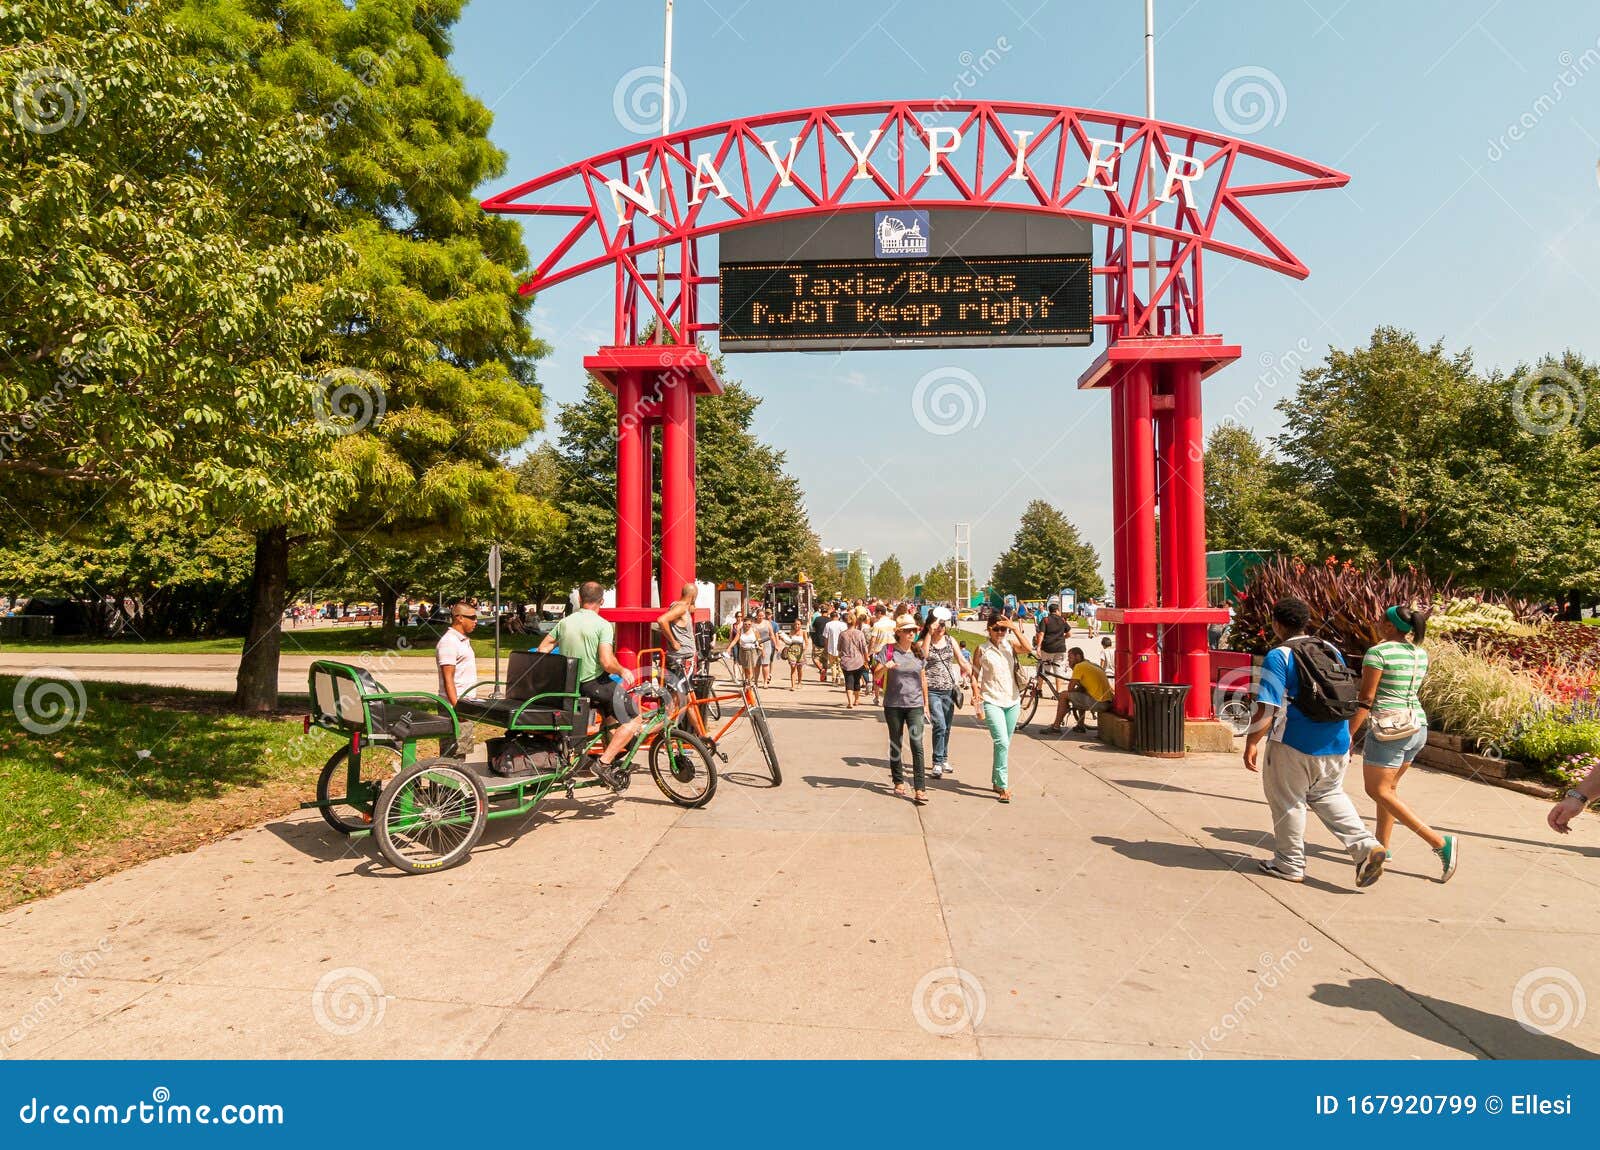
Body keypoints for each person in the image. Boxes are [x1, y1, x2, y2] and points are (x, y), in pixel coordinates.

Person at [1242, 596, 1386, 888]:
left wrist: (1252, 741)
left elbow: (1267, 707)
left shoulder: (1279, 655)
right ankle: (1366, 846)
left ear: (1276, 623)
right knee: (1329, 795)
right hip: (1337, 739)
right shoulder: (1329, 649)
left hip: (1294, 742)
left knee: (1288, 802)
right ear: (1306, 622)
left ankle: (1289, 863)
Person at [1354, 604, 1458, 882]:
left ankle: (1438, 842)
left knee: (1377, 789)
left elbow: (1366, 699)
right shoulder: (1418, 653)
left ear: (1389, 626)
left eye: (1380, 619)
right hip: (1416, 726)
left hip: (1390, 729)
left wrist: (1348, 735)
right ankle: (1383, 847)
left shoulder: (1378, 653)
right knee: (1390, 789)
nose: (1375, 621)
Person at [536, 582, 640, 790]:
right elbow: (606, 662)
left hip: (570, 685)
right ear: (601, 601)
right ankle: (603, 764)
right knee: (634, 719)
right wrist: (623, 671)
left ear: (580, 600)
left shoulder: (565, 622)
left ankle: (610, 760)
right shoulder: (603, 625)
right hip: (593, 684)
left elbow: (543, 648)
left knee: (610, 717)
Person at [972, 615, 1028, 803]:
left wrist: (1014, 627)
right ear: (988, 629)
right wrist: (976, 696)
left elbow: (1029, 649)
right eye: (996, 629)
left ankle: (996, 780)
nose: (1000, 632)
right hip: (991, 700)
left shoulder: (1010, 645)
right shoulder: (981, 649)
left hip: (1012, 700)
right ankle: (1003, 786)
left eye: (1003, 629)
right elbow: (974, 674)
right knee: (1002, 742)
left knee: (1004, 744)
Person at [879, 614, 931, 803]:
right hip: (893, 704)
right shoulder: (889, 650)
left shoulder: (918, 652)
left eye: (914, 630)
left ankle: (920, 788)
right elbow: (876, 672)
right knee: (896, 743)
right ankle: (898, 781)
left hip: (915, 705)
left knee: (917, 745)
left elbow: (923, 679)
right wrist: (886, 666)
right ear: (899, 632)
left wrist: (926, 704)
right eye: (908, 630)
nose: (912, 633)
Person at [920, 606, 972, 778]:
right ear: (930, 625)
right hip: (933, 690)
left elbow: (962, 660)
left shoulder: (950, 641)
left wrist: (974, 678)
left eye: (943, 624)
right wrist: (929, 633)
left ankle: (943, 758)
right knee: (939, 725)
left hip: (949, 690)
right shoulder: (924, 642)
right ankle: (936, 761)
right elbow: (923, 656)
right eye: (938, 625)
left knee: (947, 727)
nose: (941, 627)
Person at [1047, 646, 1114, 733]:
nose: (1068, 660)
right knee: (1079, 693)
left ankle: (1056, 726)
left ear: (1078, 657)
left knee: (1063, 695)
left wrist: (1072, 668)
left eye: (1070, 657)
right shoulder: (1090, 664)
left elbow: (1070, 688)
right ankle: (1080, 725)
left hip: (1099, 703)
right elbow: (1081, 689)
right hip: (1108, 703)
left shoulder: (1079, 666)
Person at [656, 581, 699, 674]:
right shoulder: (681, 608)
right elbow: (661, 620)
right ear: (693, 597)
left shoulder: (678, 605)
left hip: (682, 655)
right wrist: (673, 642)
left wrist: (691, 605)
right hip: (681, 656)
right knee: (683, 687)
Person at [1033, 600, 1071, 685]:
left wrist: (1038, 646)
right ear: (1057, 610)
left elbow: (1041, 634)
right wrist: (1062, 638)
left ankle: (1039, 689)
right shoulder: (1062, 620)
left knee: (1044, 669)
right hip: (1060, 648)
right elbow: (1069, 634)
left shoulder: (1045, 620)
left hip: (1047, 648)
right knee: (1058, 671)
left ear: (1049, 611)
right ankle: (1058, 692)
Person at [837, 613, 870, 708]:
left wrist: (841, 655)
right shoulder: (859, 633)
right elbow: (864, 648)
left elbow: (839, 648)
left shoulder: (842, 634)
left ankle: (850, 702)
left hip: (846, 661)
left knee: (848, 681)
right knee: (857, 681)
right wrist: (866, 658)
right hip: (858, 661)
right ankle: (856, 700)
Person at [728, 614, 762, 683]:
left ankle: (750, 682)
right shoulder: (741, 631)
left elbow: (760, 641)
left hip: (752, 651)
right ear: (743, 624)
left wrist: (761, 648)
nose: (747, 626)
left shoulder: (754, 630)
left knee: (750, 668)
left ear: (751, 624)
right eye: (745, 624)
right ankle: (747, 681)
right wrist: (729, 648)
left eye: (749, 624)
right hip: (743, 651)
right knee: (745, 668)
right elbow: (735, 640)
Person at [777, 617, 807, 690]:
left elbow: (806, 641)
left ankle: (799, 682)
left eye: (798, 624)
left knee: (799, 669)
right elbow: (789, 641)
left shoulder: (803, 632)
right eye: (795, 624)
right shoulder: (791, 631)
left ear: (801, 625)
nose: (796, 626)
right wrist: (783, 640)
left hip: (800, 651)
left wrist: (805, 647)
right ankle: (793, 685)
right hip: (792, 651)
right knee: (793, 668)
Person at [823, 607, 848, 685]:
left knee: (833, 664)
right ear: (838, 617)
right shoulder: (843, 624)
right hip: (841, 648)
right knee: (841, 663)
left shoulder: (828, 625)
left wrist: (826, 647)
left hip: (831, 647)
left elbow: (826, 637)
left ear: (830, 617)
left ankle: (834, 678)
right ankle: (840, 677)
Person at [755, 606, 778, 687]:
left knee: (765, 664)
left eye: (762, 615)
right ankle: (756, 682)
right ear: (756, 615)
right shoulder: (753, 624)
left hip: (767, 645)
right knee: (757, 665)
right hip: (756, 646)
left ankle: (765, 682)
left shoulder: (767, 623)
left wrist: (776, 645)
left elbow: (772, 635)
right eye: (759, 615)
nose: (761, 617)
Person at [809, 604, 832, 682]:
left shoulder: (817, 619)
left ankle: (821, 670)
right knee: (825, 660)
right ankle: (824, 676)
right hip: (827, 642)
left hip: (818, 641)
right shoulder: (830, 620)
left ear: (821, 611)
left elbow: (813, 628)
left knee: (815, 658)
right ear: (827, 611)